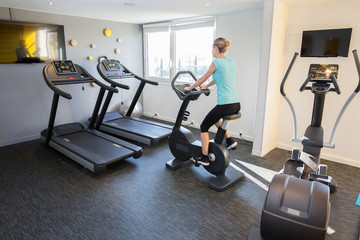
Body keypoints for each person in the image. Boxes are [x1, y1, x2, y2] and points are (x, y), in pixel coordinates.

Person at [184, 37, 240, 166]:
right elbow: (219, 77)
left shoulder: (216, 62)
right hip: (236, 104)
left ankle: (204, 158)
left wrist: (189, 88)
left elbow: (203, 78)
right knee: (214, 117)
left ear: (215, 48)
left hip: (225, 104)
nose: (211, 51)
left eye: (212, 48)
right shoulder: (230, 62)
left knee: (204, 126)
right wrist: (207, 86)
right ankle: (230, 140)